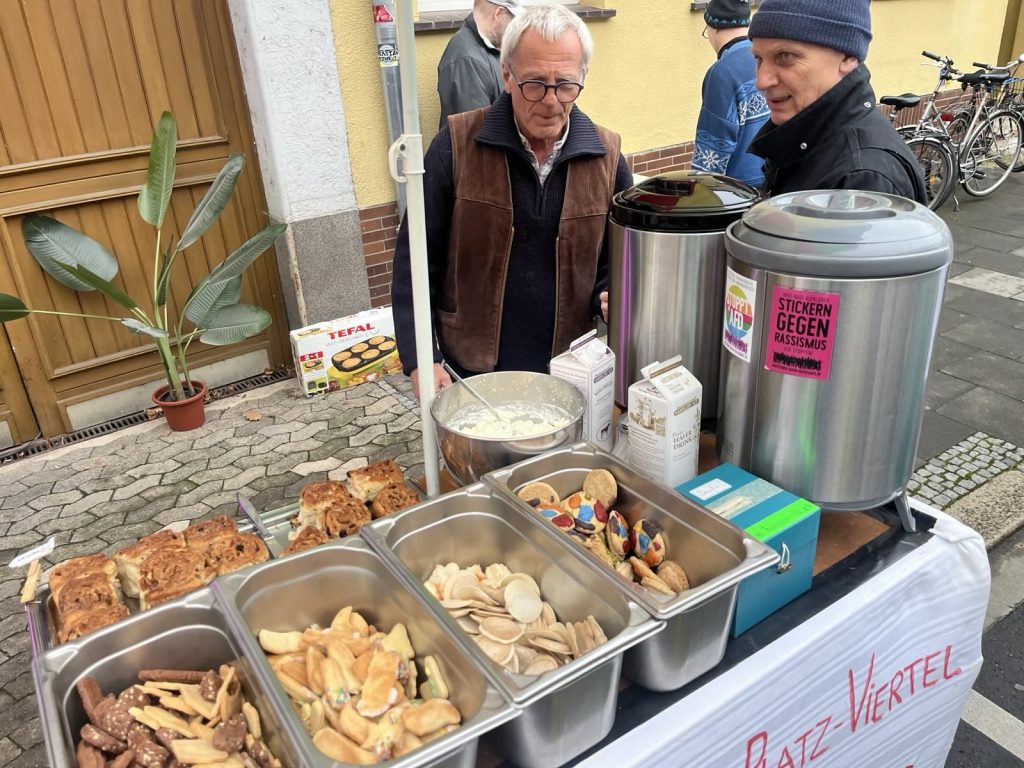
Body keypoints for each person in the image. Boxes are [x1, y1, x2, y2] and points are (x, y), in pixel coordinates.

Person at [392, 3, 633, 399]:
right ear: (507, 74)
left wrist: (609, 294)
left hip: (569, 373)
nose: (551, 101)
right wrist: (422, 357)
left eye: (566, 84)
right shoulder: (456, 146)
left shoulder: (607, 158)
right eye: (534, 83)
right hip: (470, 375)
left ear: (582, 78)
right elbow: (415, 260)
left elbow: (615, 261)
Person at [746, 0, 928, 203]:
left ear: (847, 57)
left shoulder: (860, 181)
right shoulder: (809, 140)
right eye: (758, 58)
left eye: (785, 56)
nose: (761, 81)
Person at [692, 0, 770, 186]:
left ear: (713, 27)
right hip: (777, 182)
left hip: (739, 191)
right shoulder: (768, 57)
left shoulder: (723, 73)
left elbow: (712, 153)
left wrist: (699, 190)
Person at [436, 0, 522, 128]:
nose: (515, 30)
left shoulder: (489, 47)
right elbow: (474, 132)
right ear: (498, 14)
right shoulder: (467, 61)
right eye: (513, 21)